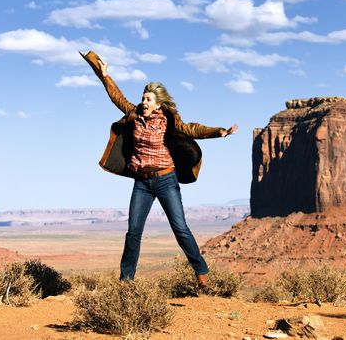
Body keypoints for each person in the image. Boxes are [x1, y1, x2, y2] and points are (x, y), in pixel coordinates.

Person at [80, 51, 238, 285]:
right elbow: (116, 97)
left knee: (180, 228)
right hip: (142, 182)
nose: (143, 103)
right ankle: (126, 282)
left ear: (158, 104)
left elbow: (192, 129)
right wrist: (104, 75)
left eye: (148, 100)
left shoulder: (169, 119)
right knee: (133, 231)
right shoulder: (134, 114)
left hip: (166, 179)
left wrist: (219, 132)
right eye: (143, 99)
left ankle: (201, 270)